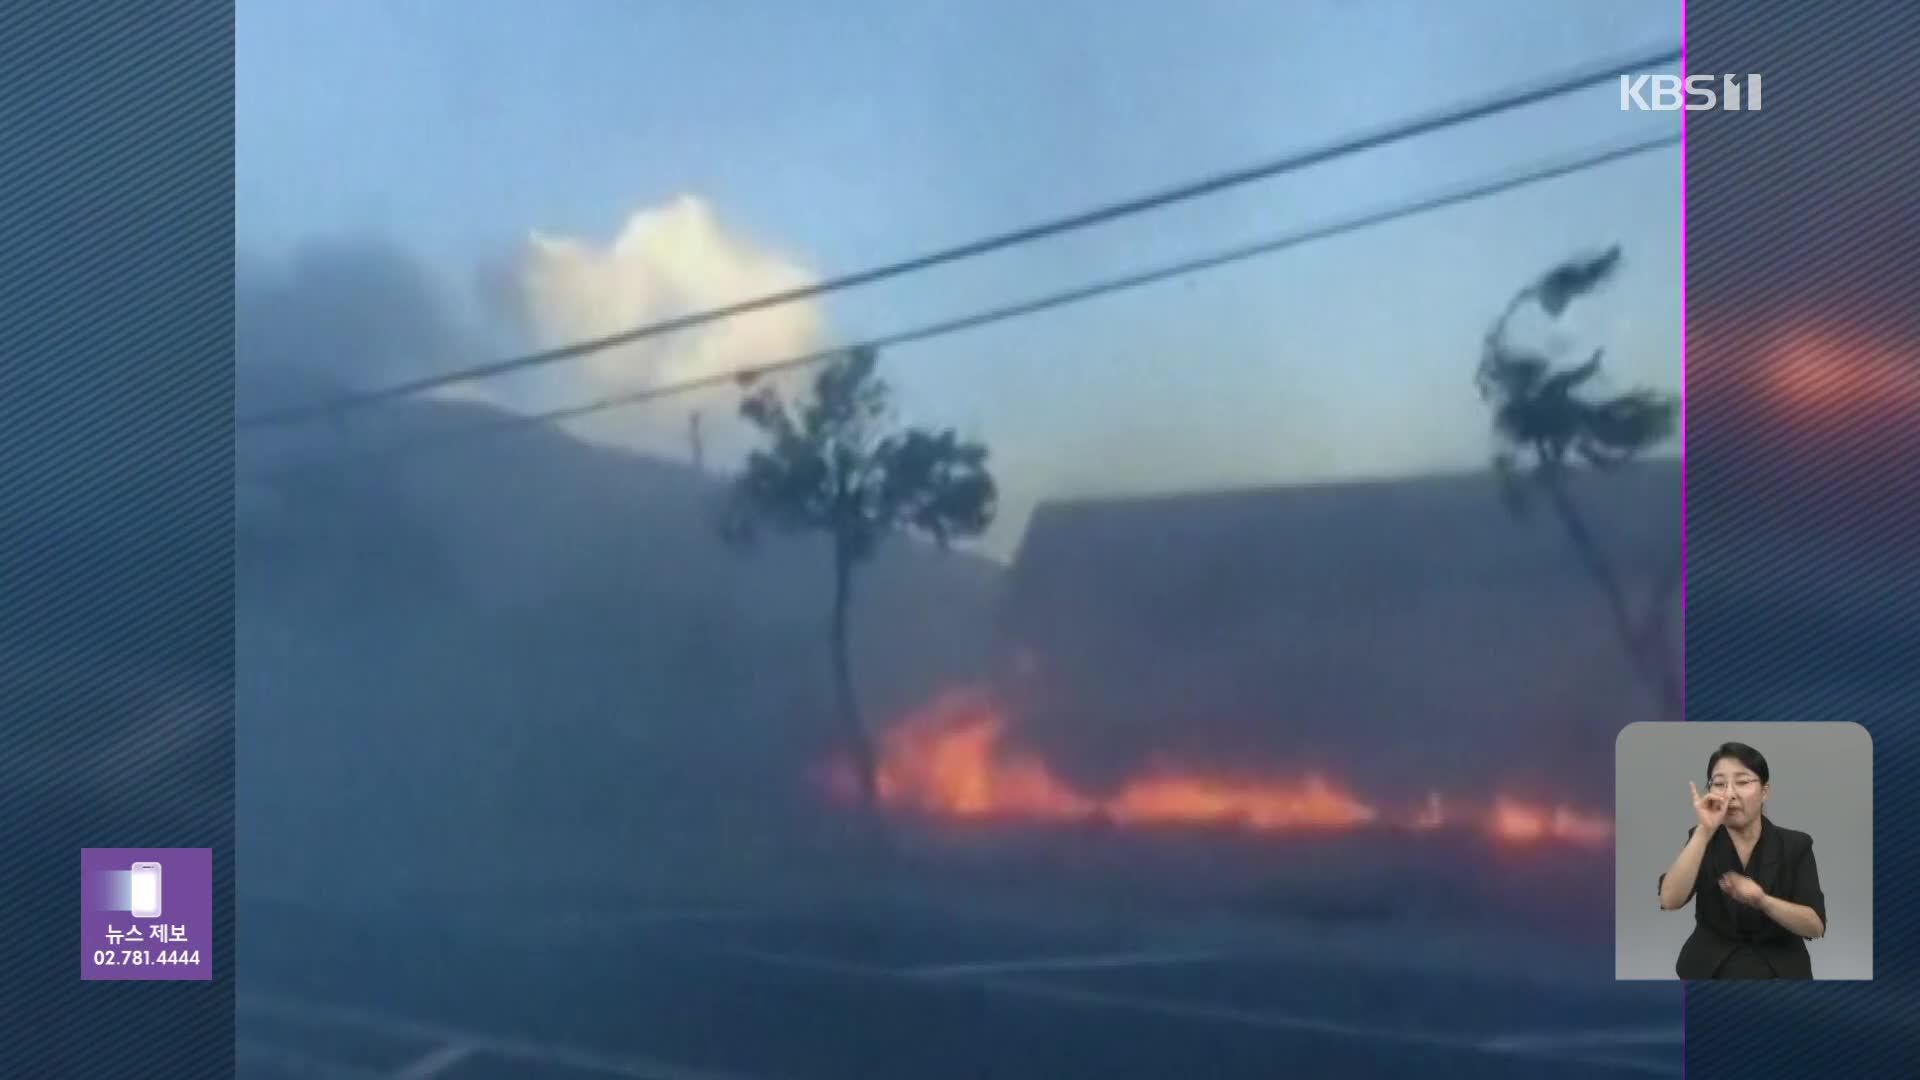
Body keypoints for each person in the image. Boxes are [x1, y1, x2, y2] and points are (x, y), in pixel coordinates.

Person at [1657, 741, 1827, 979]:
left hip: (1780, 970)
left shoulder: (1796, 845)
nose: (1730, 793)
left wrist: (1763, 901)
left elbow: (1815, 926)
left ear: (1765, 791)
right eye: (1718, 783)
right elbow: (1670, 900)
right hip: (1709, 969)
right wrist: (1704, 831)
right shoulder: (1701, 840)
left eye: (1743, 781)